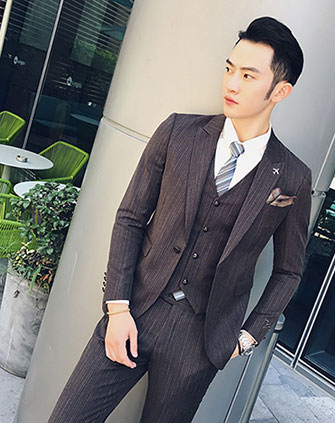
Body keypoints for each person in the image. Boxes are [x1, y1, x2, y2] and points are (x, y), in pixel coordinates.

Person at [49, 16, 312, 423]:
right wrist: (117, 309)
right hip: (134, 311)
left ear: (280, 90)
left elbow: (289, 270)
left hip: (200, 341)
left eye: (247, 75)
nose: (231, 84)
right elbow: (130, 217)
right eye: (229, 69)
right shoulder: (178, 132)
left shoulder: (293, 175)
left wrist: (247, 337)